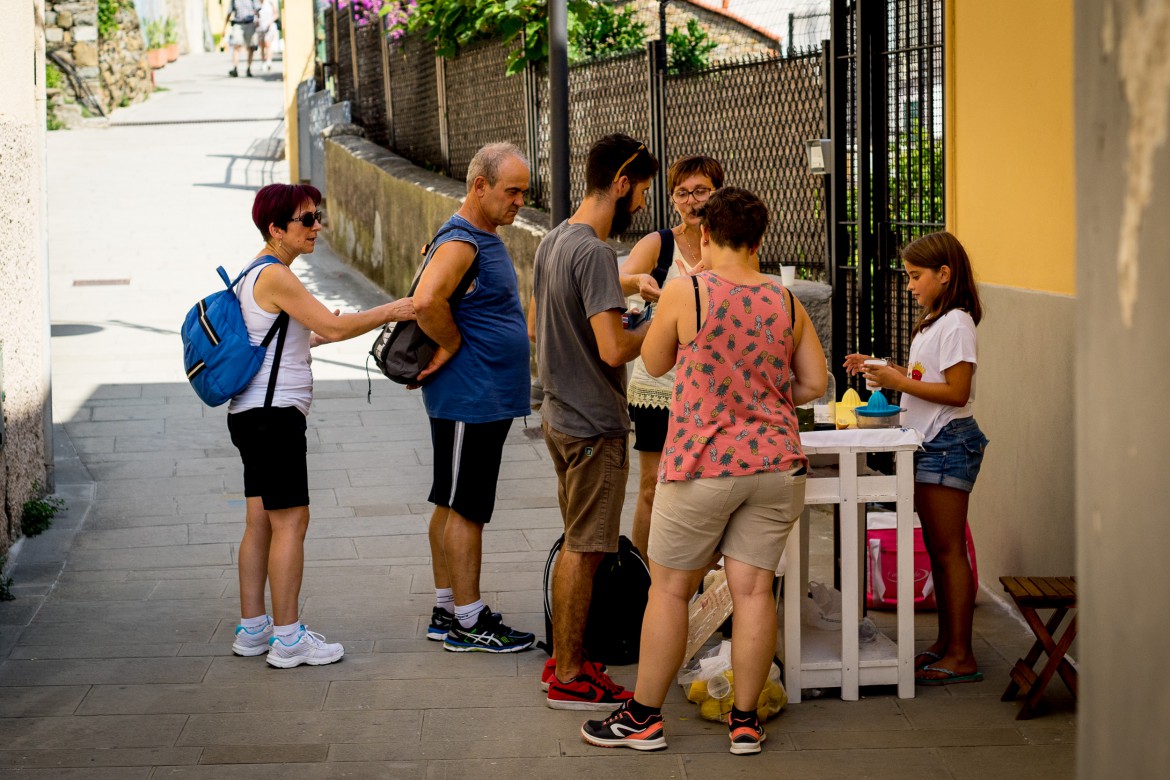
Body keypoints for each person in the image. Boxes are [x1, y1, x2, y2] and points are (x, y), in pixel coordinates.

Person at [581, 187, 826, 754]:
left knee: (668, 590)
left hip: (702, 465)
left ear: (707, 235)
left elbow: (658, 360)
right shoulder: (785, 301)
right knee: (755, 591)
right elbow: (813, 383)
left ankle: (643, 717)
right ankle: (745, 722)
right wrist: (764, 391)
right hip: (775, 463)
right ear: (760, 241)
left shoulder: (685, 290)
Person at [228, 183, 415, 667]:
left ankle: (253, 629)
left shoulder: (252, 274)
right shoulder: (276, 275)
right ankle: (288, 639)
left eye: (316, 216)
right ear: (276, 229)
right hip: (275, 418)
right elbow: (332, 327)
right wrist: (390, 310)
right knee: (292, 522)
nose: (317, 227)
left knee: (259, 522)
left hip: (250, 415)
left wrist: (320, 335)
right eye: (306, 220)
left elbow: (291, 339)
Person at [528, 133, 659, 709]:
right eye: (644, 193)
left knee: (580, 544)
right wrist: (658, 323)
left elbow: (539, 323)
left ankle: (567, 661)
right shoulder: (597, 252)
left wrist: (624, 294)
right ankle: (570, 674)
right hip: (594, 424)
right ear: (623, 184)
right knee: (586, 549)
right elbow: (613, 349)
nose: (643, 207)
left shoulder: (554, 240)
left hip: (560, 415)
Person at [844, 230, 989, 686]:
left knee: (949, 552)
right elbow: (928, 378)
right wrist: (883, 368)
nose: (909, 285)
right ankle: (948, 643)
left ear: (944, 275)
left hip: (949, 443)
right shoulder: (937, 319)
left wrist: (900, 382)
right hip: (932, 442)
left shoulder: (958, 322)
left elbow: (957, 391)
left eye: (914, 276)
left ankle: (962, 654)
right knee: (940, 549)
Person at [415, 142, 536, 654]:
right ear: (479, 186)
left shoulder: (479, 234)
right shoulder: (462, 241)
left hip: (479, 394)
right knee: (467, 507)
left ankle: (447, 608)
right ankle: (469, 619)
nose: (519, 203)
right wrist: (454, 342)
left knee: (450, 499)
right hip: (471, 395)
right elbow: (425, 302)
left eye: (524, 193)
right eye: (512, 191)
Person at [619, 154, 725, 556]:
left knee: (709, 489)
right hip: (658, 386)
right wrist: (640, 286)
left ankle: (708, 588)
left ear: (718, 193)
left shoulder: (731, 244)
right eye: (683, 193)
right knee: (653, 486)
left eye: (701, 191)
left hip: (713, 388)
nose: (692, 201)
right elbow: (617, 279)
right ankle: (644, 581)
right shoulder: (659, 244)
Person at [225, 0, 259, 78]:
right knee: (236, 45)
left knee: (251, 47)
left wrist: (257, 19)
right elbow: (229, 12)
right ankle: (235, 68)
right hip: (238, 23)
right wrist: (225, 26)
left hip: (250, 23)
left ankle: (249, 68)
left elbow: (257, 9)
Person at [256, 0, 280, 73]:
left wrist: (270, 22)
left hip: (269, 26)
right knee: (262, 45)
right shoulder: (257, 4)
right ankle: (263, 62)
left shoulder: (270, 3)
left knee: (268, 44)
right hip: (260, 27)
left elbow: (276, 14)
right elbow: (255, 15)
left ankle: (269, 61)